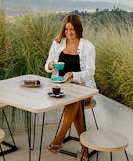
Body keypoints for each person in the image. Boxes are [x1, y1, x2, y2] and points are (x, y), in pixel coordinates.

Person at [44, 13, 96, 161]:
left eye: (72, 29)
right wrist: (50, 65)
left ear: (78, 29)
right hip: (62, 87)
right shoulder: (58, 43)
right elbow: (47, 65)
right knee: (73, 102)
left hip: (84, 88)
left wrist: (73, 75)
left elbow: (90, 72)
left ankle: (58, 140)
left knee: (74, 101)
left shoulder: (88, 46)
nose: (69, 33)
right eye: (66, 29)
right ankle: (85, 148)